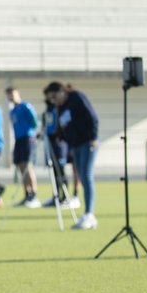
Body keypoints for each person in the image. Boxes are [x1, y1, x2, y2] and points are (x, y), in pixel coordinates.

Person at [44, 81, 99, 229]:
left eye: (55, 96)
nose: (55, 101)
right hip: (75, 145)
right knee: (81, 175)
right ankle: (87, 214)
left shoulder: (76, 97)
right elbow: (63, 127)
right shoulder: (61, 107)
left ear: (62, 91)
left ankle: (89, 214)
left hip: (88, 142)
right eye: (52, 99)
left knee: (86, 176)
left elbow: (92, 117)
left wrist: (93, 137)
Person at [6, 87, 41, 207]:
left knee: (28, 166)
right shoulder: (12, 111)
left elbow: (35, 121)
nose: (11, 97)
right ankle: (27, 194)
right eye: (8, 95)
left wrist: (34, 135)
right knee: (21, 167)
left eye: (12, 94)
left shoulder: (26, 106)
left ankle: (34, 194)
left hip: (28, 138)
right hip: (18, 140)